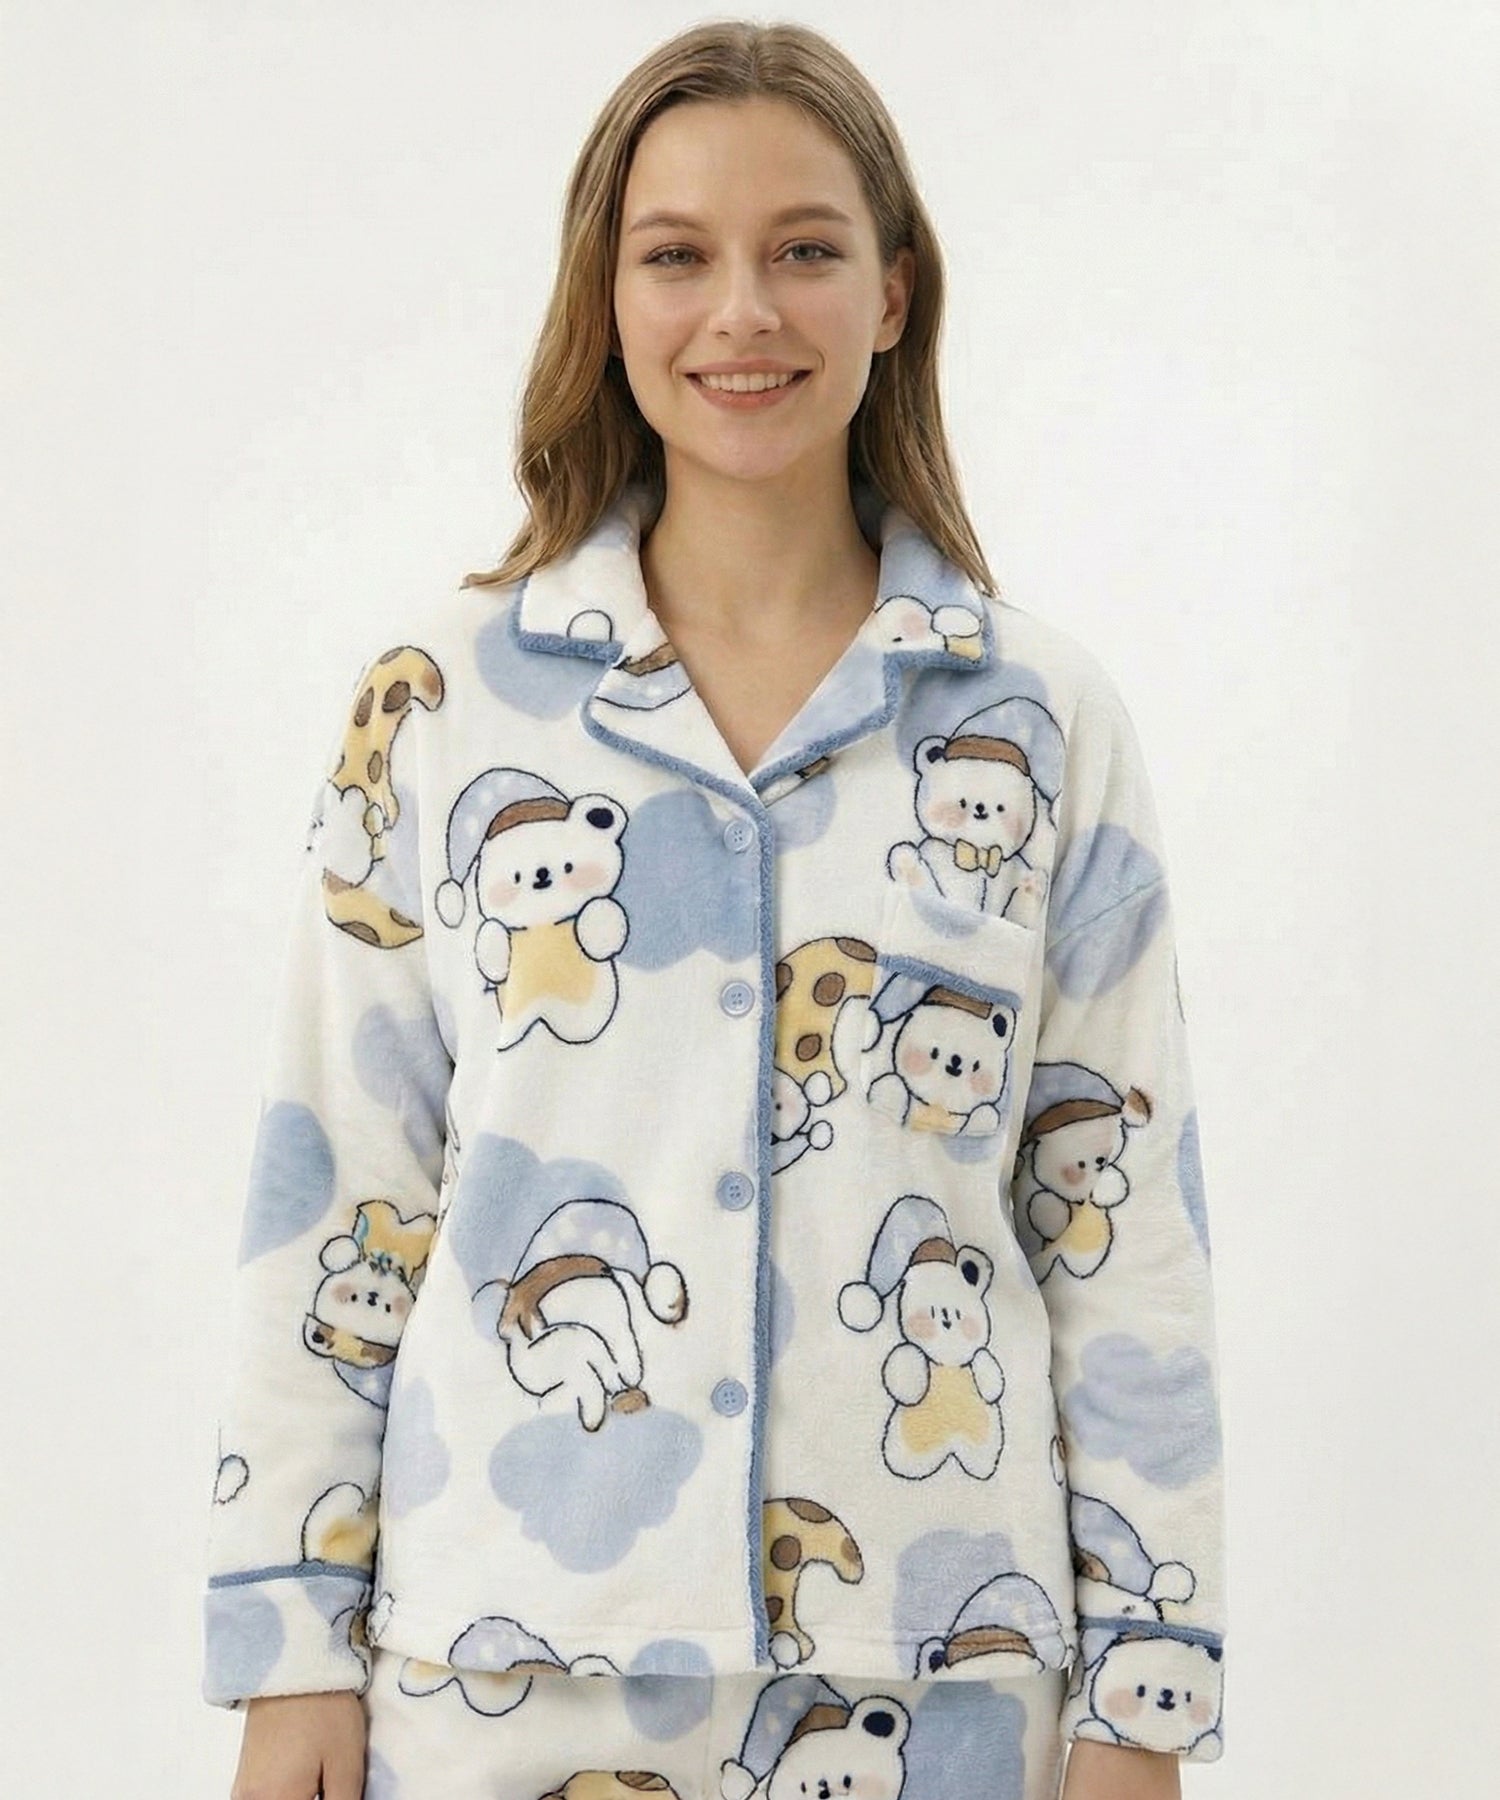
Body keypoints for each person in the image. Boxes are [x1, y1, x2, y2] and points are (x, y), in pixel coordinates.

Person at [202, 20, 1227, 1800]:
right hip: (499, 1679)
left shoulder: (1043, 724)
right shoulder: (441, 708)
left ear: (893, 294)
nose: (741, 311)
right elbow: (342, 1194)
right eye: (677, 256)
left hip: (936, 1691)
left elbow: (1118, 1236)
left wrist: (1146, 1706)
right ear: (607, 301)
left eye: (804, 249)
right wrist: (289, 1651)